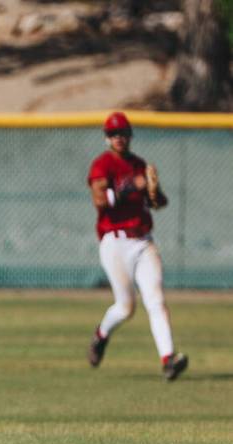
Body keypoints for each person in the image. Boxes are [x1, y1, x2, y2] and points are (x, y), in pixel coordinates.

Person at [86, 112, 188, 381]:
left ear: (130, 136)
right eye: (113, 133)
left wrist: (154, 194)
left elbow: (158, 201)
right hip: (115, 243)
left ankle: (168, 359)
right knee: (126, 306)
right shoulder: (102, 165)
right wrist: (133, 185)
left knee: (156, 300)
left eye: (123, 133)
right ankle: (101, 335)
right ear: (107, 138)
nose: (119, 138)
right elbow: (100, 200)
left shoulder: (140, 165)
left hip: (143, 242)